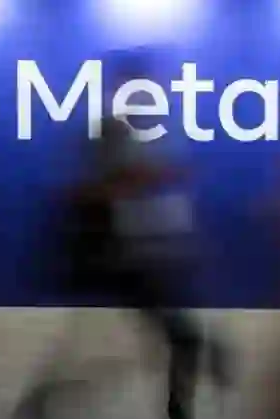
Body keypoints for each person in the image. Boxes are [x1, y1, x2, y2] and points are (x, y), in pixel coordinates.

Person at [33, 52, 231, 419]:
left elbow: (115, 188)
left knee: (169, 342)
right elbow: (103, 189)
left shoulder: (125, 134)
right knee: (166, 343)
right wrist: (150, 178)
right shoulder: (110, 130)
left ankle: (177, 408)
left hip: (128, 266)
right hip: (118, 267)